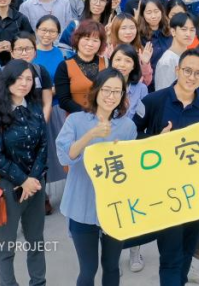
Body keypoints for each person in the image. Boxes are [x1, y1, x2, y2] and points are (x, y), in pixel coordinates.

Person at [133, 50, 199, 286]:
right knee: (170, 257)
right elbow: (131, 136)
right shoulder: (154, 101)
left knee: (187, 251)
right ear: (177, 70)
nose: (192, 77)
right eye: (187, 70)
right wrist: (156, 140)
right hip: (163, 192)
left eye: (198, 73)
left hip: (195, 193)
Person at [56, 67, 137, 286]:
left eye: (117, 91)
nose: (111, 96)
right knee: (88, 268)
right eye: (106, 90)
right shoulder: (75, 120)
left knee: (111, 265)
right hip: (81, 205)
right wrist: (91, 134)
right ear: (96, 90)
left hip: (115, 207)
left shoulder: (128, 126)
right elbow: (65, 156)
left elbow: (132, 168)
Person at [0, 60, 48, 286]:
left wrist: (33, 180)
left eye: (29, 79)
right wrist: (23, 180)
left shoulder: (35, 108)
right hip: (7, 187)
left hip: (36, 184)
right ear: (7, 80)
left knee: (36, 241)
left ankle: (38, 282)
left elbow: (44, 146)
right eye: (19, 78)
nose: (24, 83)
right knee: (6, 245)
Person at [55, 21, 108, 116]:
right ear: (78, 39)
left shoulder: (107, 63)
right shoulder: (64, 66)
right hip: (76, 119)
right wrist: (89, 114)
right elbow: (64, 101)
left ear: (101, 43)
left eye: (95, 40)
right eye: (86, 39)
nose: (90, 44)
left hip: (104, 118)